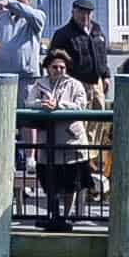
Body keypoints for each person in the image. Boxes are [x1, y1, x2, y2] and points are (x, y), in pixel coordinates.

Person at [32, 47, 93, 226]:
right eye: (55, 67)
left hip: (71, 140)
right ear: (47, 68)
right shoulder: (38, 84)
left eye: (62, 67)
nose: (58, 70)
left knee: (70, 183)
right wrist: (42, 104)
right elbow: (29, 102)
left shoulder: (75, 84)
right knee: (50, 181)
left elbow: (81, 105)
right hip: (48, 140)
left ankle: (66, 216)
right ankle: (53, 215)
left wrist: (58, 105)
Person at [0, 0, 47, 96]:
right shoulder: (0, 18)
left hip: (26, 78)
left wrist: (11, 3)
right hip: (2, 77)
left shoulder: (37, 16)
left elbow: (30, 14)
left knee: (24, 112)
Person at [50, 0, 111, 104]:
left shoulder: (97, 31)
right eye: (81, 12)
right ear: (73, 12)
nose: (85, 16)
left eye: (88, 13)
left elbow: (102, 57)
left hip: (97, 83)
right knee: (78, 118)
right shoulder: (62, 34)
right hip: (74, 83)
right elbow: (52, 61)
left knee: (99, 118)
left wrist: (106, 76)